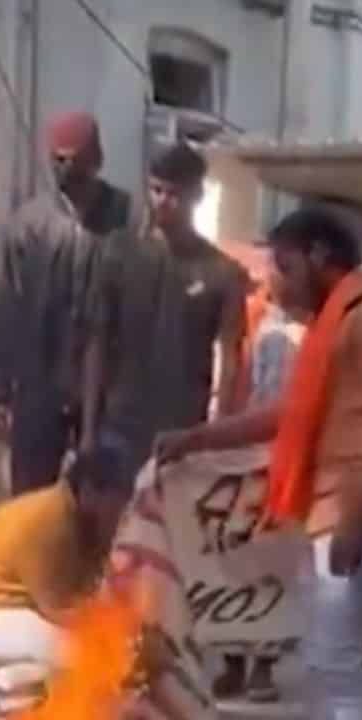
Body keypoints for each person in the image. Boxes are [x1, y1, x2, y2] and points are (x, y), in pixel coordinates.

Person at [156, 207, 362, 720]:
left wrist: (355, 516)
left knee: (342, 668)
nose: (273, 278)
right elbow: (290, 417)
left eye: (284, 263)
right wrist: (197, 438)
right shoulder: (333, 326)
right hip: (325, 508)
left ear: (322, 256)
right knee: (327, 667)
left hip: (350, 515)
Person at [0, 445, 132, 720]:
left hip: (8, 608)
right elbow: (59, 609)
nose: (120, 514)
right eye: (116, 503)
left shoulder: (78, 520)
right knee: (79, 655)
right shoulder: (48, 522)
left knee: (93, 655)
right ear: (88, 491)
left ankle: (15, 696)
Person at [0, 112, 131, 495]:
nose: (64, 169)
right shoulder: (29, 224)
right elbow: (4, 305)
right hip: (40, 381)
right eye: (57, 159)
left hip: (109, 390)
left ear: (96, 159)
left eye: (73, 159)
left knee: (101, 507)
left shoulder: (127, 218)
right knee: (31, 503)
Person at [82, 143, 247, 474]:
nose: (162, 201)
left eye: (173, 193)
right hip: (119, 426)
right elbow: (96, 342)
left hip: (181, 433)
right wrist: (88, 431)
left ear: (196, 195)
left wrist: (216, 437)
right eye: (156, 190)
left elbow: (229, 361)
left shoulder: (222, 273)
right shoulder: (118, 253)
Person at [214, 253, 311, 703]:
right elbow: (243, 389)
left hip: (290, 464)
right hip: (247, 459)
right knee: (235, 560)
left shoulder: (317, 333)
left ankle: (263, 668)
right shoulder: (262, 329)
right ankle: (232, 662)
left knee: (275, 565)